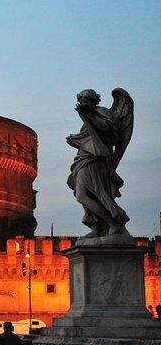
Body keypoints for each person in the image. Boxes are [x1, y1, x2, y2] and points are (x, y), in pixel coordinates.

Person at [66, 88, 133, 239]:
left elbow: (106, 129)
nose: (83, 104)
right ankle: (96, 227)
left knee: (93, 193)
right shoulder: (87, 115)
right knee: (83, 195)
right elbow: (88, 136)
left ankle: (113, 223)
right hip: (84, 158)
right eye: (81, 101)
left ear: (93, 100)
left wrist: (89, 115)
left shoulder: (102, 111)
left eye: (86, 101)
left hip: (96, 160)